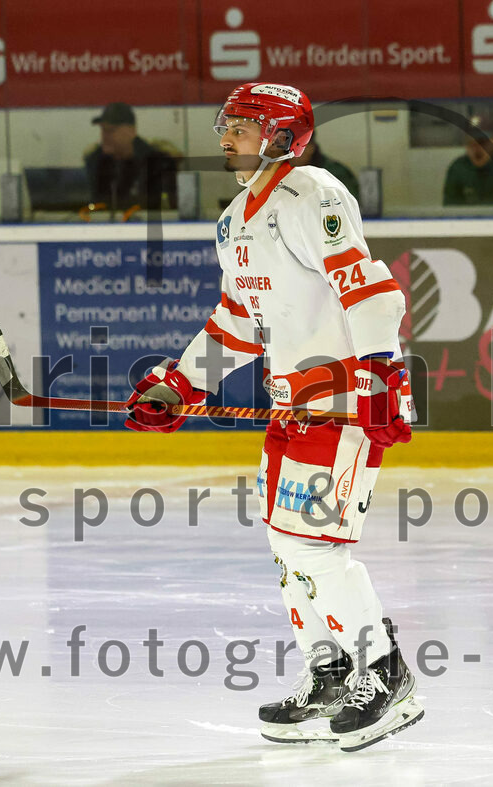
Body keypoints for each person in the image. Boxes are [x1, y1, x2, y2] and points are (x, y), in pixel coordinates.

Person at [124, 82, 423, 751]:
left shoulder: (312, 193)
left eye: (242, 126)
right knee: (288, 548)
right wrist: (179, 385)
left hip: (343, 401)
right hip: (291, 407)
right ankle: (331, 671)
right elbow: (235, 321)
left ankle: (385, 672)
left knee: (317, 546)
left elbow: (369, 289)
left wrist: (382, 376)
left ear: (284, 135)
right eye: (225, 125)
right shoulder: (234, 220)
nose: (225, 136)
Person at [83, 102, 178, 212]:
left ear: (130, 131)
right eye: (103, 130)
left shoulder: (157, 162)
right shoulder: (95, 161)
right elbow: (94, 205)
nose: (104, 136)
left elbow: (165, 209)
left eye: (110, 131)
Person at [292, 132, 360, 200]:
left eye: (294, 148)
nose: (289, 156)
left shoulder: (336, 175)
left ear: (310, 148)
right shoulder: (291, 171)